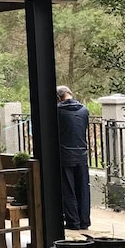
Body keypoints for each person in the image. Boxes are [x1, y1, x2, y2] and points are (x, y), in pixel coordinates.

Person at [56, 85, 91, 231]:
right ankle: (84, 221)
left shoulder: (58, 111)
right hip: (81, 154)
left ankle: (73, 222)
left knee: (68, 189)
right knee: (83, 189)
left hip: (64, 155)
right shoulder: (84, 110)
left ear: (58, 97)